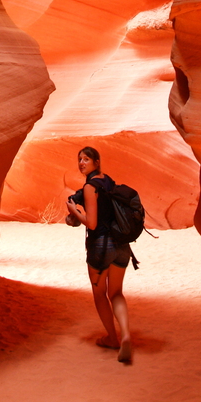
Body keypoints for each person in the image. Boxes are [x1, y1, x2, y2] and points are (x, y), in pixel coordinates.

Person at [66, 146, 132, 362]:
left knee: (99, 294)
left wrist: (75, 212)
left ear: (96, 162)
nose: (82, 163)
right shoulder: (108, 181)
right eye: (79, 159)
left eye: (86, 159)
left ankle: (113, 338)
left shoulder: (89, 187)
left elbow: (92, 223)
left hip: (101, 247)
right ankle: (126, 334)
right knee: (117, 293)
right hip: (121, 245)